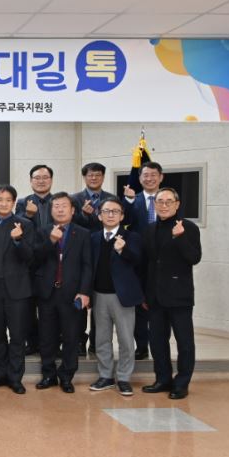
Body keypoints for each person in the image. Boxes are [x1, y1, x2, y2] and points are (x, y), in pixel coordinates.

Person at [142, 188, 201, 400]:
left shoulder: (188, 227)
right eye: (160, 201)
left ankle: (182, 383)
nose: (164, 205)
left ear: (177, 204)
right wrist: (145, 294)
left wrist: (180, 237)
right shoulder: (149, 229)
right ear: (154, 204)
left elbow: (194, 258)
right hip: (155, 296)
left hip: (179, 295)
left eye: (169, 201)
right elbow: (148, 264)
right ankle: (163, 379)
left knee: (184, 342)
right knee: (157, 341)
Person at [32, 192, 92, 394]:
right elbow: (34, 259)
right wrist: (50, 241)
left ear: (73, 210)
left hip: (72, 294)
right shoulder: (43, 231)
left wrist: (84, 292)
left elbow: (87, 266)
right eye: (56, 206)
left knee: (71, 337)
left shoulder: (83, 234)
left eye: (64, 206)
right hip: (47, 293)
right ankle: (48, 374)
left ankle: (66, 376)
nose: (59, 209)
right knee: (46, 337)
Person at [0, 184, 35, 395]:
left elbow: (30, 257)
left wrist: (18, 239)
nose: (3, 203)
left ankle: (15, 378)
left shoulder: (25, 224)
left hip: (18, 289)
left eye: (8, 200)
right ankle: (0, 374)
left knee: (18, 336)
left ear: (14, 203)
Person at [89, 198, 144, 397]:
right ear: (99, 215)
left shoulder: (132, 237)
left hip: (123, 297)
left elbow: (139, 261)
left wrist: (123, 250)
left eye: (115, 211)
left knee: (126, 340)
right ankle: (105, 376)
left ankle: (123, 378)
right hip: (99, 295)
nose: (110, 215)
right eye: (106, 211)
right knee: (101, 339)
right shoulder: (93, 238)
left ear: (122, 216)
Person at [122, 161, 165, 360]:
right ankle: (141, 346)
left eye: (153, 175)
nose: (149, 178)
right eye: (145, 175)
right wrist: (128, 201)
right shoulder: (133, 199)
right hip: (138, 260)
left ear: (161, 177)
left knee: (160, 303)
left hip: (163, 261)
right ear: (139, 178)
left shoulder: (168, 199)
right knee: (140, 304)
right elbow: (124, 221)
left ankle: (160, 344)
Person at [71, 162, 115, 357]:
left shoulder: (111, 199)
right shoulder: (74, 199)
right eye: (90, 175)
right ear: (85, 177)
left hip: (102, 255)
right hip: (79, 255)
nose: (94, 178)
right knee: (80, 296)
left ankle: (97, 341)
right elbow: (69, 223)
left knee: (100, 301)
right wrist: (83, 214)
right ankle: (80, 341)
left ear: (103, 177)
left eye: (98, 175)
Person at [16, 164, 55, 355]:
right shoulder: (22, 202)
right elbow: (16, 227)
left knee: (50, 307)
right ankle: (31, 342)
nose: (41, 181)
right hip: (30, 262)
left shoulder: (59, 201)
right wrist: (28, 215)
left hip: (53, 260)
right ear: (31, 181)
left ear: (51, 180)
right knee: (28, 307)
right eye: (37, 178)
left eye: (45, 177)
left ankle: (51, 343)